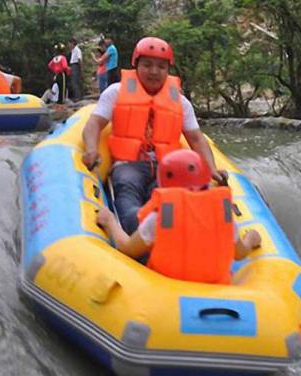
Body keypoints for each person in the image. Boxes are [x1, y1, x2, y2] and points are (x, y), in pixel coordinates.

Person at [82, 36, 227, 235]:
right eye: (147, 65)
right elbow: (94, 124)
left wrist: (211, 168)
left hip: (167, 167)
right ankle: (134, 229)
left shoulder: (181, 102)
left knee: (172, 198)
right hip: (128, 165)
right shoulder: (115, 92)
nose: (154, 71)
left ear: (168, 70)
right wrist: (91, 149)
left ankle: (171, 234)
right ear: (136, 65)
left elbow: (196, 138)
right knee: (126, 191)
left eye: (161, 67)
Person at [97, 150, 261, 283]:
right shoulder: (223, 213)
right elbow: (239, 253)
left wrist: (110, 222)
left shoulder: (161, 216)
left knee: (129, 208)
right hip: (215, 291)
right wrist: (251, 239)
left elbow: (128, 250)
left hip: (167, 290)